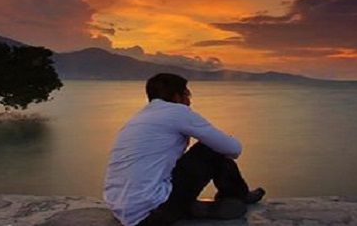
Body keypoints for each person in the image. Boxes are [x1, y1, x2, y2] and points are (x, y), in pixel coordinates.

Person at [104, 73, 265, 226]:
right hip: (152, 214)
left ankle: (190, 208)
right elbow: (232, 149)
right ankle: (237, 196)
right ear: (176, 97)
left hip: (121, 208)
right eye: (187, 95)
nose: (189, 101)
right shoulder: (178, 112)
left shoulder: (138, 118)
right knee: (210, 149)